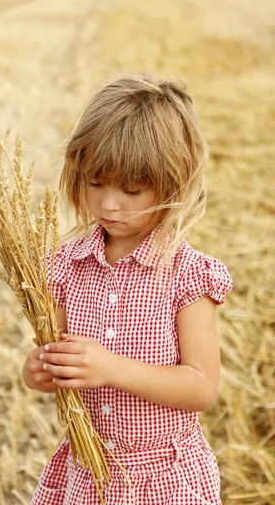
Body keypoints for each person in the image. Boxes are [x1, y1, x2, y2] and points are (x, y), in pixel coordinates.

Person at [22, 71, 233, 505]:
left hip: (163, 480)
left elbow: (201, 386)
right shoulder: (65, 267)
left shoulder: (187, 276)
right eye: (95, 183)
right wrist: (39, 371)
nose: (108, 204)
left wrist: (111, 368)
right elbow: (54, 363)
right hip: (90, 473)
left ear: (173, 186)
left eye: (132, 190)